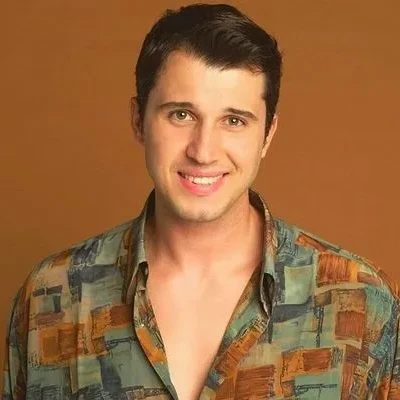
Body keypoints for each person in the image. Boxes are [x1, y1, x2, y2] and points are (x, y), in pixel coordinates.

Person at [2, 3, 399, 399]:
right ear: (138, 120)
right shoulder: (51, 298)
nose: (203, 151)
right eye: (181, 115)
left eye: (234, 120)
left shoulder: (359, 300)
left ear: (268, 135)